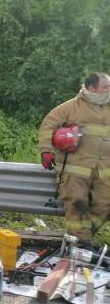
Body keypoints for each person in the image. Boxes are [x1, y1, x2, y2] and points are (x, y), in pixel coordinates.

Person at [39, 72, 110, 245]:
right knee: (77, 206)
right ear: (92, 88)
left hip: (104, 170)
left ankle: (80, 238)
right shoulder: (71, 107)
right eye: (106, 87)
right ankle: (82, 245)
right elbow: (48, 125)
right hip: (75, 171)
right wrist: (46, 150)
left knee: (105, 205)